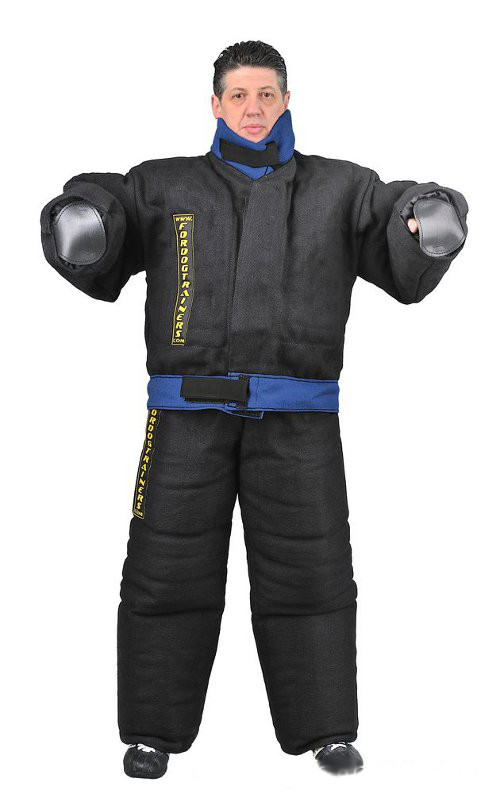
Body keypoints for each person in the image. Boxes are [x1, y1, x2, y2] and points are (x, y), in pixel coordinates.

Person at [39, 40, 469, 779]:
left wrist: (428, 214)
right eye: (238, 95)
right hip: (184, 420)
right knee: (165, 574)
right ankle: (151, 734)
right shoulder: (164, 185)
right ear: (215, 104)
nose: (252, 108)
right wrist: (84, 221)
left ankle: (326, 732)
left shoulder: (342, 188)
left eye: (266, 94)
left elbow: (398, 215)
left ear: (287, 100)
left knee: (313, 575)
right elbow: (106, 208)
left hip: (299, 423)